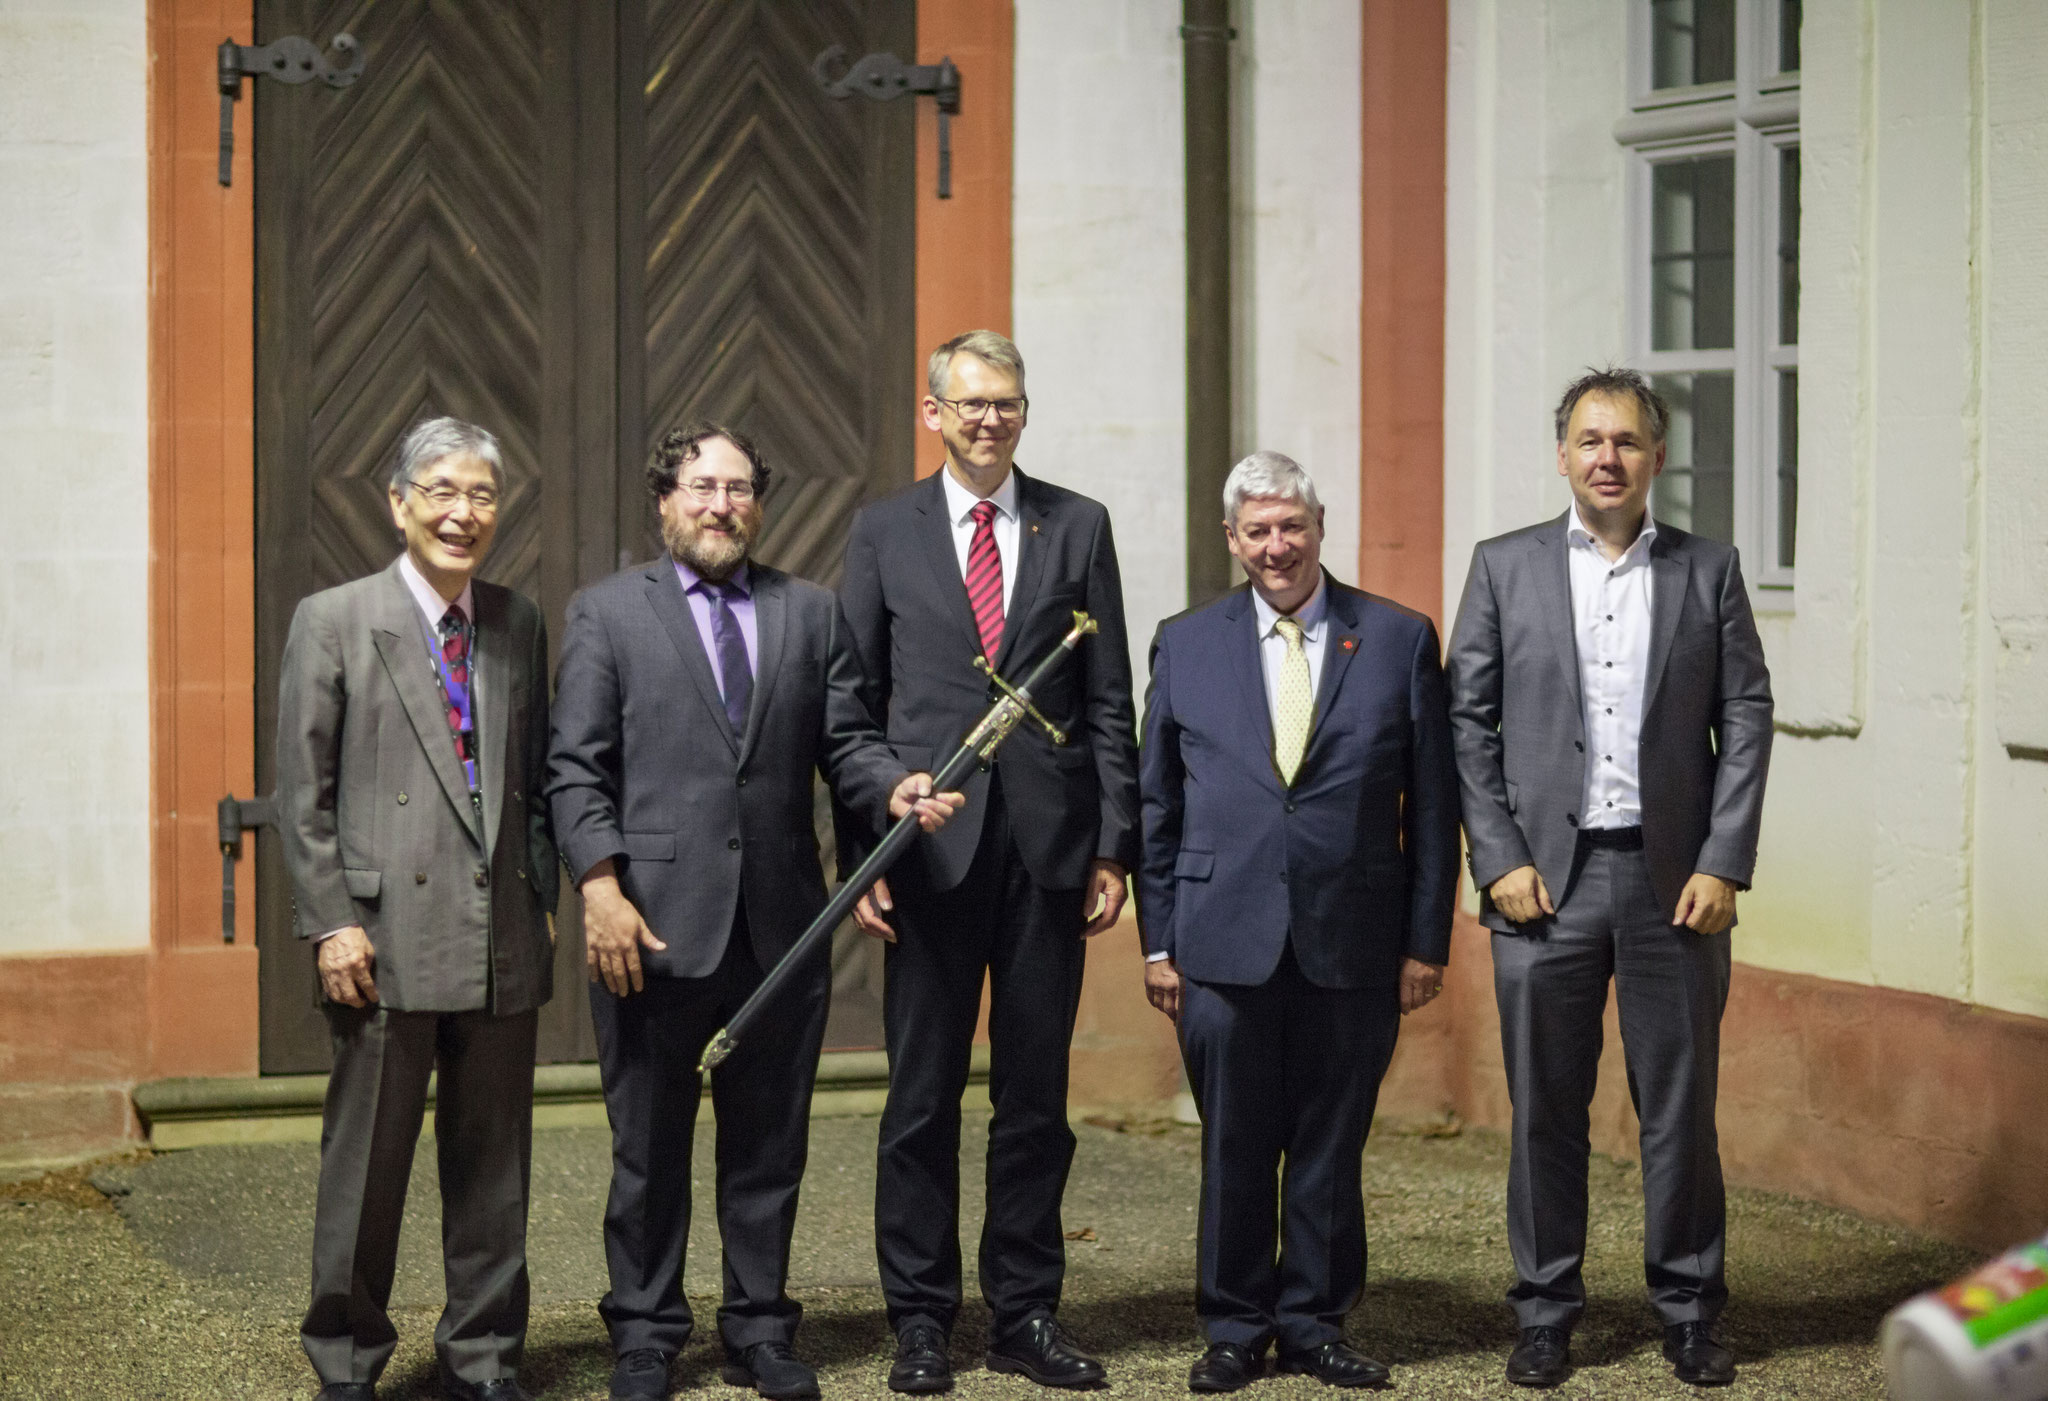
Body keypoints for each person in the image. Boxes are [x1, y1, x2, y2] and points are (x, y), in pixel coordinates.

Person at [547, 423, 961, 1401]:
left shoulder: (809, 615)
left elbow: (847, 741)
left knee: (767, 1147)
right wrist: (599, 888)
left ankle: (759, 1328)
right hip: (648, 929)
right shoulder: (607, 615)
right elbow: (573, 770)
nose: (720, 504)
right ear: (665, 501)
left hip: (783, 930)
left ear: (757, 504)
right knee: (647, 1148)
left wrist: (889, 791)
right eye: (700, 486)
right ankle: (644, 1334)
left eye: (736, 488)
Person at [1445, 368, 1774, 1389]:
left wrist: (1722, 858)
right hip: (1542, 884)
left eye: (1625, 442)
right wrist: (1495, 857)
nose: (1605, 459)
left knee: (1676, 1107)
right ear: (1560, 455)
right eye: (1588, 440)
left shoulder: (1705, 571)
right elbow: (1465, 721)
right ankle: (1545, 1311)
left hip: (1672, 884)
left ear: (1655, 459)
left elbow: (1746, 716)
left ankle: (1684, 1308)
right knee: (1546, 1106)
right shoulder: (1502, 568)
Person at [837, 330, 1141, 1392]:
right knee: (919, 1098)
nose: (988, 421)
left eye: (1005, 404)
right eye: (969, 404)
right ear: (932, 413)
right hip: (927, 852)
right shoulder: (882, 533)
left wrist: (1114, 845)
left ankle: (1025, 1313)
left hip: (1049, 854)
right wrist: (871, 835)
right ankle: (920, 1318)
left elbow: (1108, 700)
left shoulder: (1077, 525)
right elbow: (851, 708)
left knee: (1033, 1099)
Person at [1137, 452, 1460, 1393]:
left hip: (1353, 939)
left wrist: (1423, 941)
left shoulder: (1397, 639)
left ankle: (1315, 1323)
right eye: (1258, 531)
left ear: (1321, 528)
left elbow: (1433, 809)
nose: (1277, 546)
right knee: (1234, 1139)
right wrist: (1158, 941)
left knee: (1328, 1140)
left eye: (1293, 526)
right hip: (1217, 939)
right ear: (1232, 541)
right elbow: (1155, 805)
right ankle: (1234, 1325)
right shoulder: (1184, 641)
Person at [276, 417, 559, 1401]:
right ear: (398, 503)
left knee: (493, 1174)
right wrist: (328, 920)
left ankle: (483, 1359)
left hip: (501, 939)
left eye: (480, 494)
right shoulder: (335, 619)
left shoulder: (518, 622)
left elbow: (530, 778)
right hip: (380, 939)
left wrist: (544, 896)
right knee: (368, 1174)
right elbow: (300, 792)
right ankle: (348, 1362)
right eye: (440, 490)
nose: (461, 512)